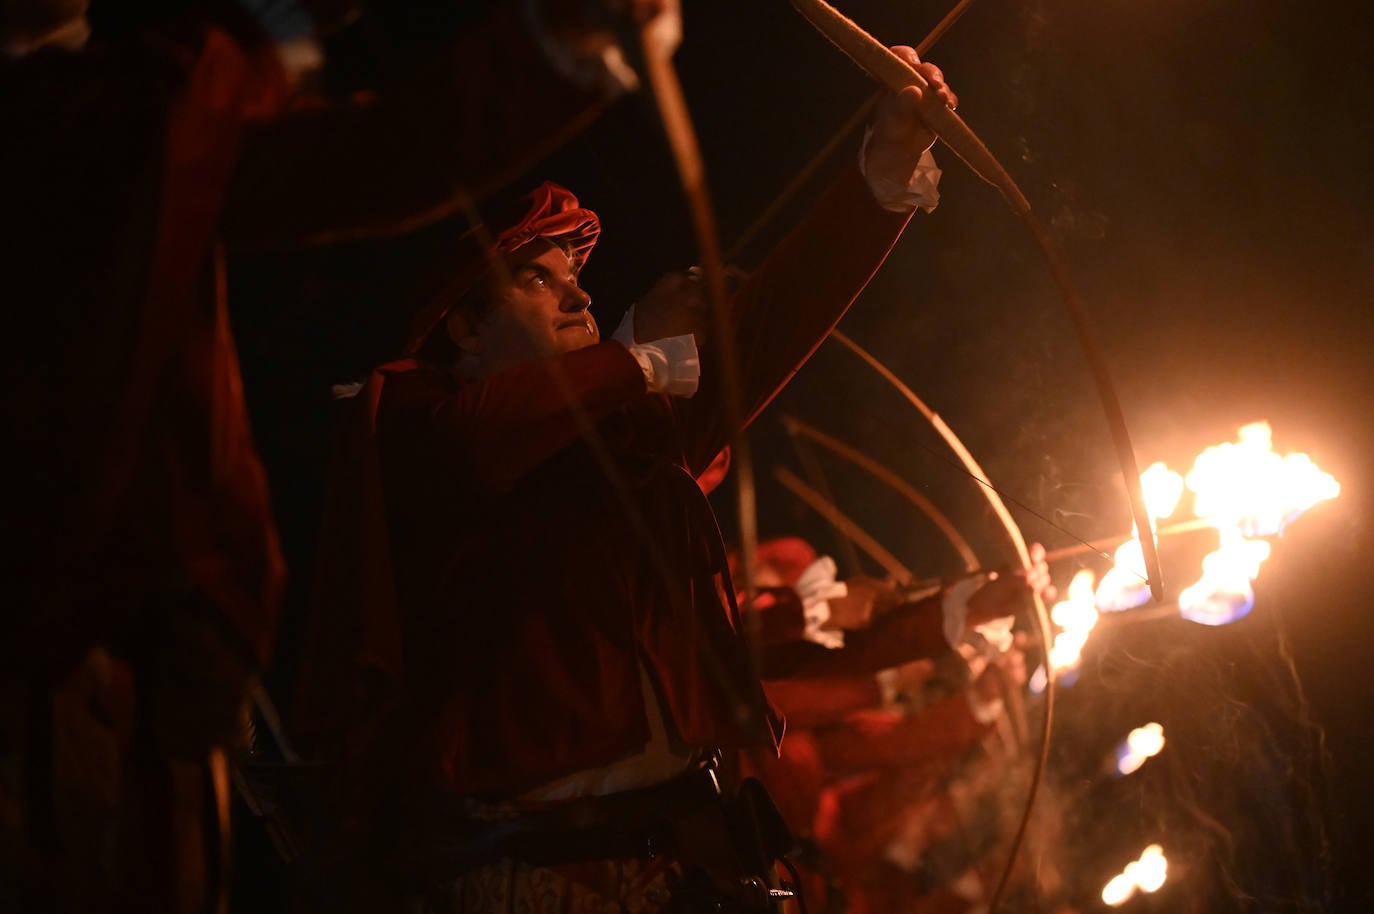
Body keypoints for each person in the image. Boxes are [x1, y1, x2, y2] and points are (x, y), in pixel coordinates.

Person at [0, 1, 655, 910]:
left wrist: (561, 43)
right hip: (62, 673)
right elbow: (328, 160)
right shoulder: (85, 120)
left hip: (146, 691)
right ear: (460, 327)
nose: (575, 298)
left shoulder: (102, 107)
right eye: (537, 279)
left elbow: (367, 157)